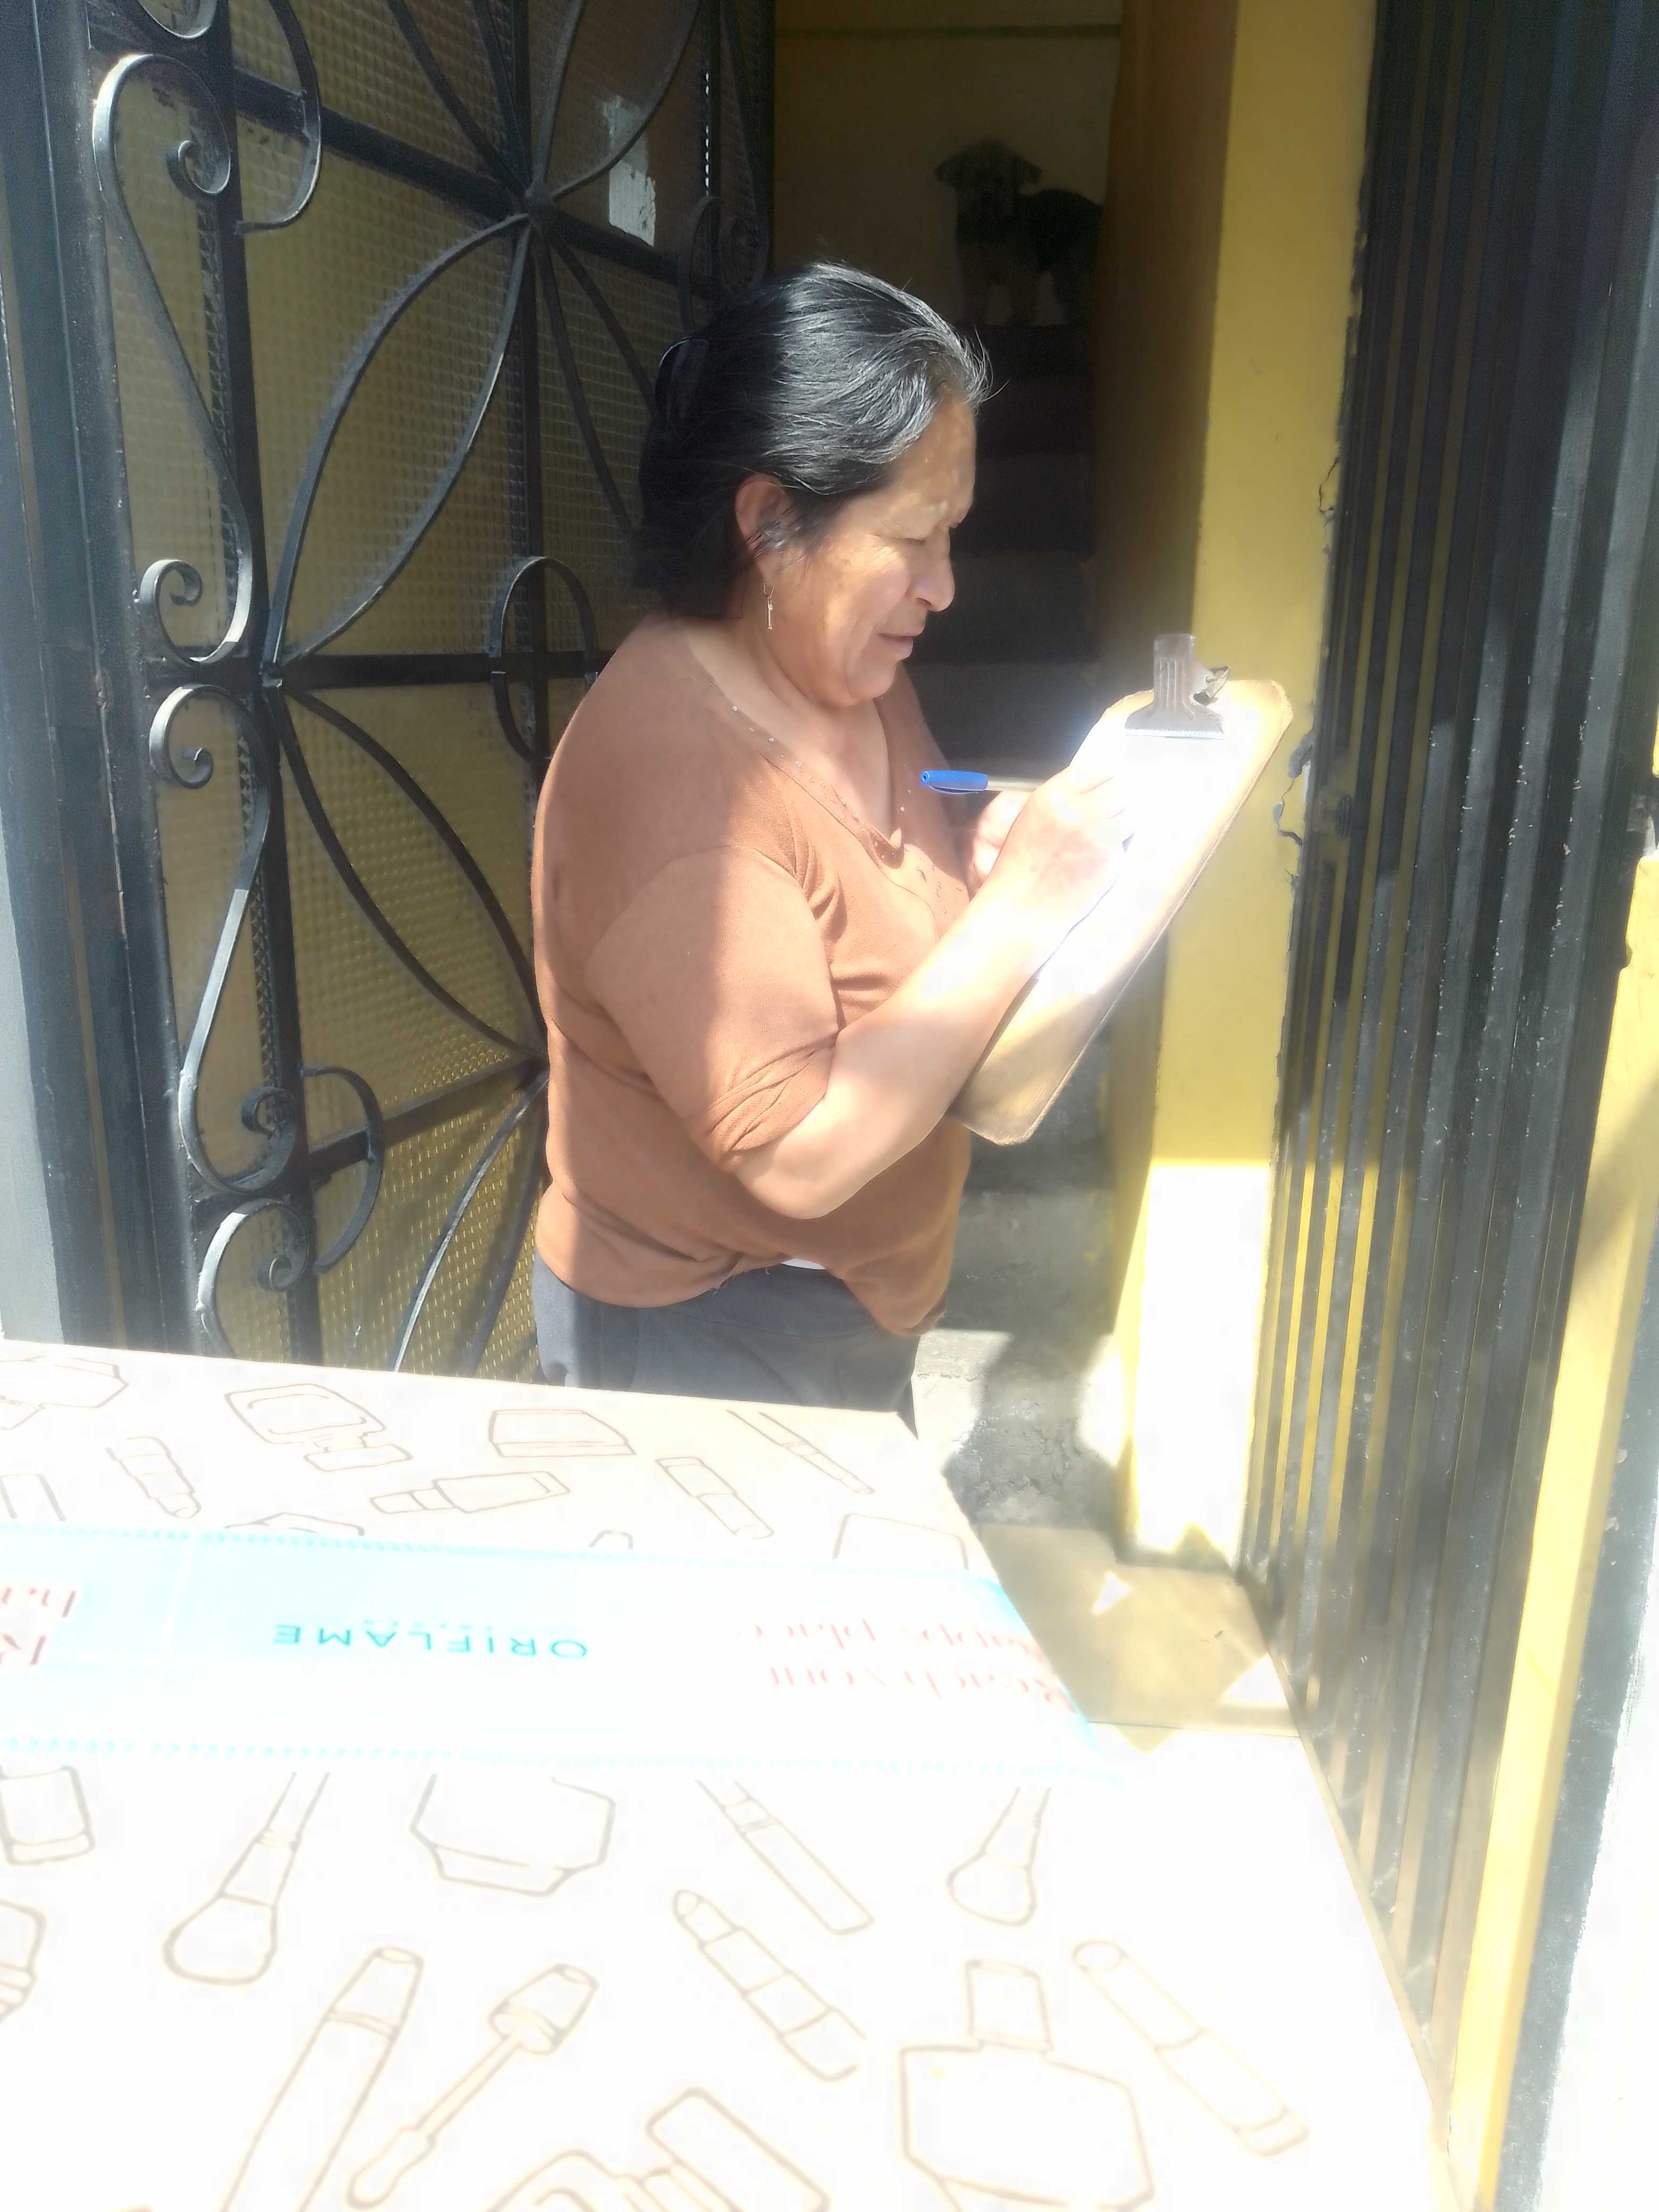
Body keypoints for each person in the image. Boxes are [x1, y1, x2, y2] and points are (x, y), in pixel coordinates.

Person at [530, 262, 1130, 1417]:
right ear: (770, 522)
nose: (944, 588)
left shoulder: (845, 670)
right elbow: (801, 1148)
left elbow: (899, 818)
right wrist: (1022, 908)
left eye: (953, 536)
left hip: (850, 1323)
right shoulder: (680, 788)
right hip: (709, 1346)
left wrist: (977, 840)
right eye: (914, 538)